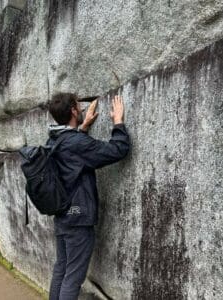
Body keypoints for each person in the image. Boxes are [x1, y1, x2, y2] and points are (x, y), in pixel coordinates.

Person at [47, 93, 130, 300]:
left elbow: (72, 155)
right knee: (73, 278)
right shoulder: (75, 143)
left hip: (63, 214)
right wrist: (118, 122)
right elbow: (117, 150)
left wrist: (82, 128)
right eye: (79, 107)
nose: (83, 109)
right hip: (77, 217)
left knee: (62, 268)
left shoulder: (53, 139)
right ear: (74, 111)